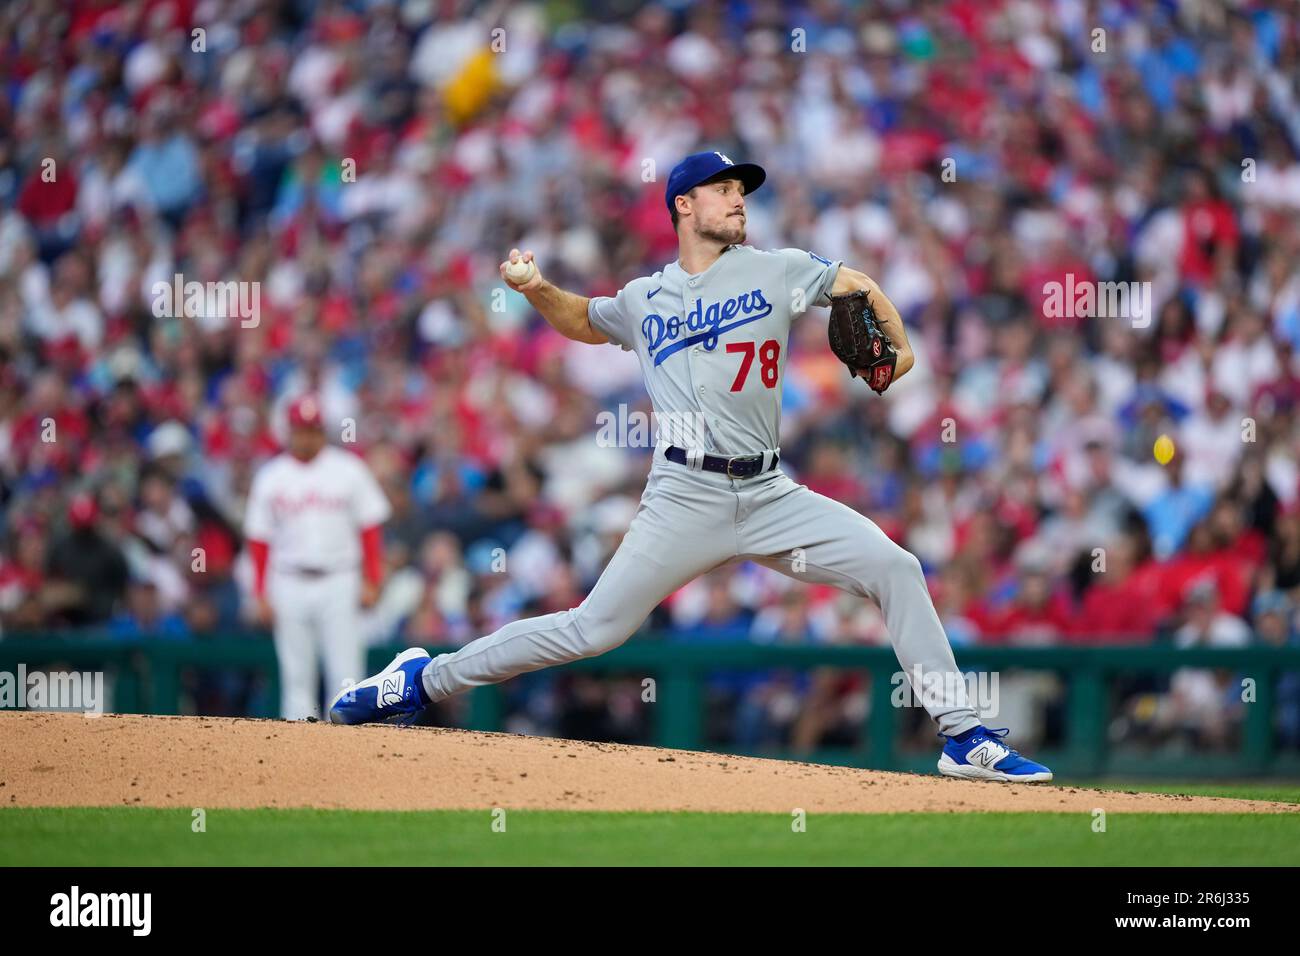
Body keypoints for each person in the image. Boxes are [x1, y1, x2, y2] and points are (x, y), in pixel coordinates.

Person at [329, 151, 1052, 782]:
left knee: (896, 568)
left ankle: (964, 736)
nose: (740, 198)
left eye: (743, 189)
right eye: (723, 188)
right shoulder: (647, 298)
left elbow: (855, 286)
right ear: (684, 204)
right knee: (593, 630)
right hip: (684, 493)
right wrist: (534, 289)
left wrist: (898, 351)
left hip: (771, 492)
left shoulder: (778, 269)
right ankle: (422, 680)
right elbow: (586, 319)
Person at [244, 395, 392, 719]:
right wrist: (260, 592)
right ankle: (299, 759)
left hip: (340, 579)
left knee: (346, 673)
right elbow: (259, 540)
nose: (306, 437)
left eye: (312, 430)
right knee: (297, 677)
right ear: (289, 431)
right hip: (289, 580)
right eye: (300, 429)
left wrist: (373, 578)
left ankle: (347, 751)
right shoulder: (271, 476)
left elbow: (370, 528)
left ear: (322, 431)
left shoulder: (348, 469)